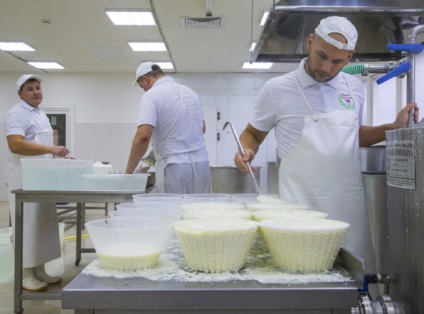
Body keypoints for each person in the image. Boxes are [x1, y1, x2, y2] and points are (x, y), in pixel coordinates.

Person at [234, 16, 419, 280]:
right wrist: (245, 150)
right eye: (322, 56)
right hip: (299, 214)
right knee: (303, 285)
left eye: (337, 62)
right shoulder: (277, 89)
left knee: (353, 289)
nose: (326, 67)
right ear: (310, 42)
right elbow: (252, 133)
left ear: (349, 57)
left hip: (347, 215)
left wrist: (391, 127)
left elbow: (354, 136)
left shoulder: (353, 88)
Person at [4, 74, 70, 292]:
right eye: (30, 89)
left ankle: (39, 270)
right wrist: (51, 149)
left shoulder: (40, 114)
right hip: (24, 178)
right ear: (20, 93)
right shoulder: (16, 114)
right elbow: (16, 144)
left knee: (42, 225)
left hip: (41, 178)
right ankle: (24, 274)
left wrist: (56, 156)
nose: (36, 92)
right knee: (27, 226)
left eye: (38, 88)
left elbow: (40, 145)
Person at [125, 62, 211, 194]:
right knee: (198, 211)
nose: (144, 90)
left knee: (172, 211)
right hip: (202, 164)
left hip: (173, 166)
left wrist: (129, 173)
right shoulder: (191, 93)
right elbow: (202, 128)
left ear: (146, 79)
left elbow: (143, 136)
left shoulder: (151, 95)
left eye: (142, 87)